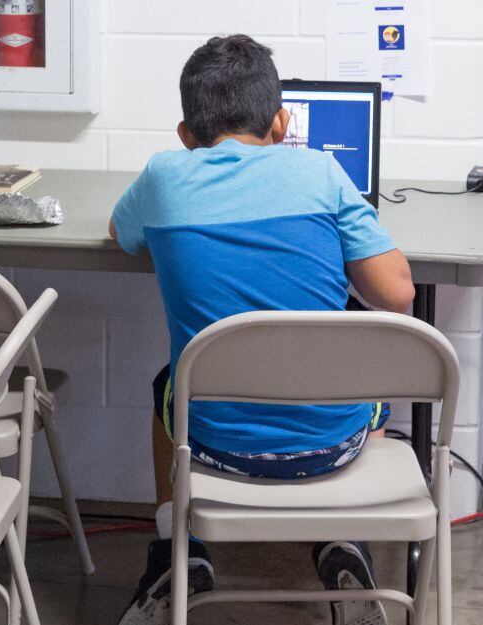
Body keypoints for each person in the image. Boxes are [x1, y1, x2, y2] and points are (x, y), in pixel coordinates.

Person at [109, 35, 414, 625]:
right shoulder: (323, 173)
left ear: (185, 134)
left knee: (168, 384)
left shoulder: (164, 175)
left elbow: (125, 236)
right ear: (281, 123)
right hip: (333, 445)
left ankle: (179, 554)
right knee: (373, 387)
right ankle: (342, 539)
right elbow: (397, 295)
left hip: (214, 446)